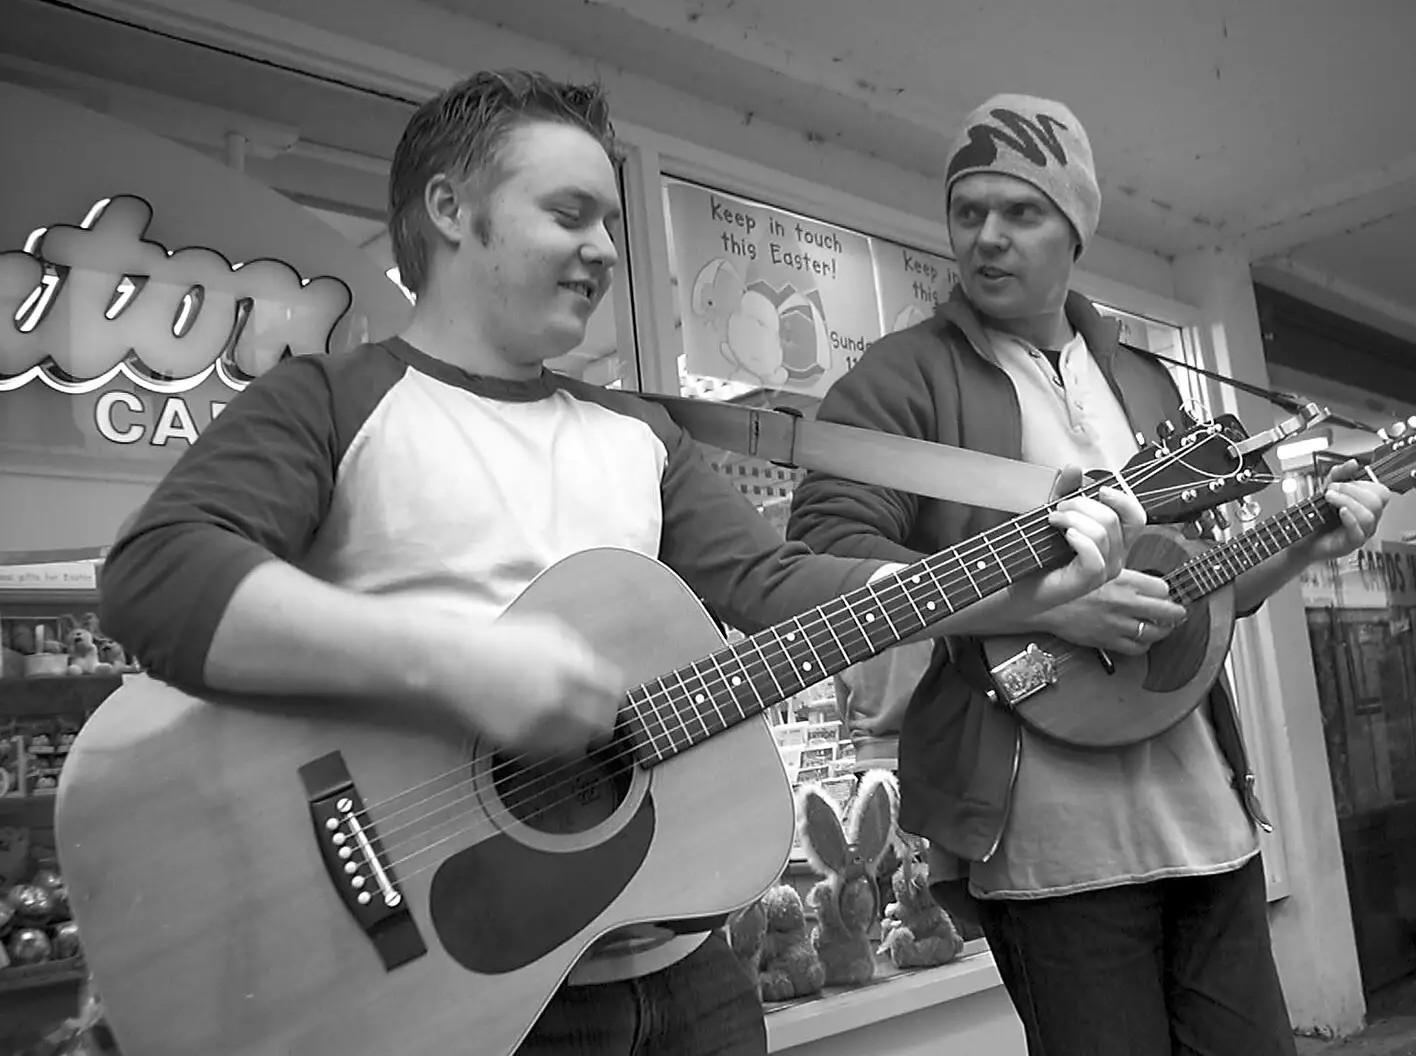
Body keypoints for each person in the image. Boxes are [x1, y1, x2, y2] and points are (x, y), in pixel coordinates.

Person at [96, 72, 1144, 1056]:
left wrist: (1008, 591)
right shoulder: (332, 400)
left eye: (609, 220)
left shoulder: (638, 434)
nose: (604, 248)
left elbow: (775, 592)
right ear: (453, 208)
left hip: (689, 971)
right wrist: (449, 664)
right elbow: (159, 578)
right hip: (471, 1005)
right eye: (569, 213)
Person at [785, 94, 1393, 1056]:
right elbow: (825, 564)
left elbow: (1194, 591)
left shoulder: (1147, 382)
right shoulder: (897, 379)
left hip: (1207, 821)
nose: (986, 237)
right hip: (1046, 844)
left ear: (1076, 228)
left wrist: (1304, 546)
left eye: (1020, 212)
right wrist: (1049, 606)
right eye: (967, 211)